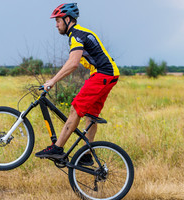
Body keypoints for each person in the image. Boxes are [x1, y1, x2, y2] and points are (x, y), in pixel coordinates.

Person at [35, 3, 120, 164]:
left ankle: (58, 148)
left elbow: (73, 63)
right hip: (109, 74)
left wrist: (52, 81)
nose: (56, 25)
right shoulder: (81, 33)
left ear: (68, 19)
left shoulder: (76, 36)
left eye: (58, 20)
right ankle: (87, 156)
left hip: (103, 74)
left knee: (75, 108)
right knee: (90, 116)